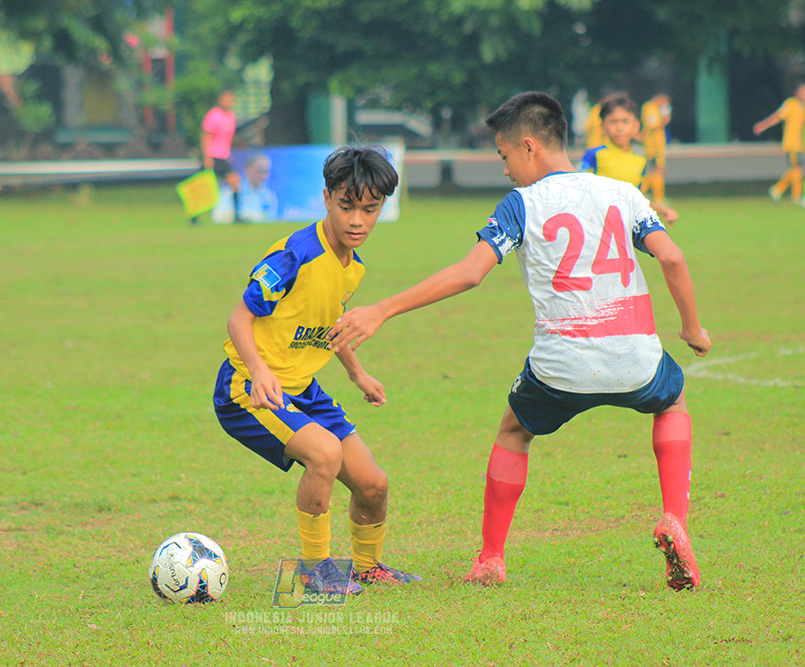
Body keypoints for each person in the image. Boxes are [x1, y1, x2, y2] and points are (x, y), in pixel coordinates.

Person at [328, 92, 711, 592]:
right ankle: (674, 518)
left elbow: (469, 274)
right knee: (674, 399)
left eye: (505, 156)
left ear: (528, 146)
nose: (505, 170)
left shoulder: (522, 204)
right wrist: (691, 328)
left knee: (513, 433)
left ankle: (491, 558)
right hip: (635, 357)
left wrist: (382, 308)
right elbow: (674, 258)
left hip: (561, 367)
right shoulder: (623, 193)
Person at [213, 146, 421, 595]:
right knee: (325, 453)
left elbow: (326, 326)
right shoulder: (296, 254)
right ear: (327, 198)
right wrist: (259, 370)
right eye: (347, 207)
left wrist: (357, 373)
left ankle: (367, 566)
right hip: (247, 387)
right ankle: (314, 572)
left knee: (373, 484)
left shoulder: (353, 266)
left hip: (303, 388)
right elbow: (238, 319)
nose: (357, 221)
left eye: (370, 209)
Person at [581, 92, 678, 224]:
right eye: (613, 122)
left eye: (625, 122)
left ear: (636, 126)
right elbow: (579, 190)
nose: (619, 128)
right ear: (603, 127)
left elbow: (637, 199)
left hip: (625, 229)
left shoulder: (639, 160)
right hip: (597, 226)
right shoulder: (594, 155)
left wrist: (663, 211)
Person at [753, 82, 805, 203]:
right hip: (792, 143)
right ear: (797, 93)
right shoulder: (791, 104)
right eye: (803, 92)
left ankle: (778, 189)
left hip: (804, 143)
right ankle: (795, 195)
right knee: (797, 169)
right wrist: (763, 125)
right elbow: (777, 117)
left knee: (797, 169)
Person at [200, 89, 242, 223]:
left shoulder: (231, 116)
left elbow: (226, 138)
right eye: (226, 99)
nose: (228, 102)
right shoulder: (214, 115)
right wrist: (206, 156)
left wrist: (228, 154)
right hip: (212, 156)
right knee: (206, 188)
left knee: (235, 182)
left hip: (224, 156)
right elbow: (206, 135)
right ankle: (194, 217)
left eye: (230, 100)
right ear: (220, 100)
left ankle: (237, 216)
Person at [212, 153, 278, 223]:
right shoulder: (233, 189)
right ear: (248, 169)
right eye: (260, 171)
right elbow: (219, 215)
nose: (264, 176)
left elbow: (271, 217)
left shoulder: (268, 195)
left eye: (267, 172)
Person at [640, 92, 672, 205]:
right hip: (654, 147)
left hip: (658, 146)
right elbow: (653, 125)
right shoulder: (650, 108)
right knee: (658, 171)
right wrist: (664, 118)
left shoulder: (653, 108)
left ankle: (644, 192)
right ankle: (655, 197)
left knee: (656, 171)